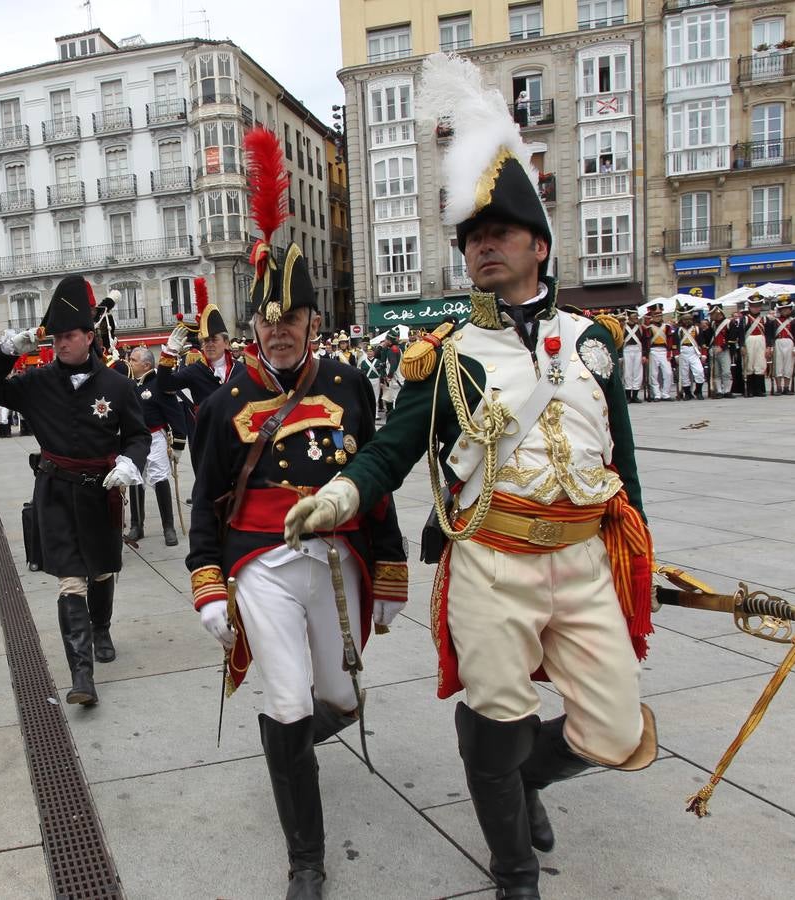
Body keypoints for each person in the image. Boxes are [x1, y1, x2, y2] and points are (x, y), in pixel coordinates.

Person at [285, 55, 656, 900]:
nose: (483, 247)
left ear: (538, 243)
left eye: (499, 234)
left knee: (615, 729)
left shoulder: (594, 343)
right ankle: (513, 869)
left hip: (584, 559)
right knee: (497, 717)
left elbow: (621, 469)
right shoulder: (446, 356)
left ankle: (529, 780)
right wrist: (341, 494)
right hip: (492, 557)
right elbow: (390, 448)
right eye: (472, 238)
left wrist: (644, 555)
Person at [187, 133, 409, 898]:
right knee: (286, 698)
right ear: (254, 326)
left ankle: (286, 749)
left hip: (338, 556)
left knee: (340, 699)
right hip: (261, 562)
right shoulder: (221, 407)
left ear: (314, 321)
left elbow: (375, 479)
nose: (280, 331)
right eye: (269, 321)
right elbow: (204, 506)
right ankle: (306, 859)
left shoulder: (350, 383)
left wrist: (390, 571)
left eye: (294, 319)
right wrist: (209, 584)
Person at [0, 275, 149, 703]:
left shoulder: (117, 385)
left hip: (101, 492)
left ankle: (102, 627)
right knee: (71, 580)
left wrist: (130, 462)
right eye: (55, 337)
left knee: (103, 568)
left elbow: (138, 436)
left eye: (69, 336)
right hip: (55, 493)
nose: (61, 344)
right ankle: (81, 675)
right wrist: (7, 351)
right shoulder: (38, 382)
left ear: (90, 336)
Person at [156, 276, 244, 471]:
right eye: (205, 340)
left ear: (227, 343)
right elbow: (165, 385)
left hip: (238, 437)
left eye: (214, 339)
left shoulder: (242, 370)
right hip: (205, 439)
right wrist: (168, 354)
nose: (209, 344)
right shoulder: (196, 370)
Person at [123, 345, 186, 546]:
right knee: (135, 479)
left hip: (156, 437)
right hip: (135, 440)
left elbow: (175, 414)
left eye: (133, 360)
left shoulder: (159, 384)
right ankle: (136, 525)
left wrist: (178, 444)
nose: (129, 362)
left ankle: (169, 527)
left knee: (159, 477)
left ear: (146, 364)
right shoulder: (129, 384)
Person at [739, 294, 774, 398]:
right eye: (753, 306)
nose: (756, 308)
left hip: (761, 342)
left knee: (760, 364)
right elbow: (741, 334)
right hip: (749, 341)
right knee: (749, 365)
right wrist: (742, 346)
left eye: (758, 306)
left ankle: (759, 390)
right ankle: (749, 390)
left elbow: (768, 334)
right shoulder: (745, 319)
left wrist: (768, 346)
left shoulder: (765, 319)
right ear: (749, 306)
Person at [703, 304, 738, 398]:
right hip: (714, 350)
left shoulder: (729, 323)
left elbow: (732, 338)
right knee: (716, 372)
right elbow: (709, 339)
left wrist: (722, 347)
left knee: (726, 372)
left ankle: (727, 391)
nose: (711, 316)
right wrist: (706, 331)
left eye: (712, 314)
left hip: (725, 350)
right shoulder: (713, 324)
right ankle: (719, 391)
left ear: (718, 313)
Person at [643, 302, 675, 401]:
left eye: (659, 315)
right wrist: (646, 355)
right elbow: (646, 342)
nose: (658, 317)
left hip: (664, 350)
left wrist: (669, 353)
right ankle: (656, 394)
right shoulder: (648, 328)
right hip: (653, 351)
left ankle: (666, 393)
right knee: (653, 374)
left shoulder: (667, 327)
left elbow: (670, 340)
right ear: (652, 316)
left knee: (668, 373)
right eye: (656, 315)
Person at [674, 307, 705, 400]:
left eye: (689, 319)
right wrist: (676, 355)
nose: (687, 321)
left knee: (699, 371)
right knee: (684, 374)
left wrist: (703, 354)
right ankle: (687, 393)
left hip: (694, 351)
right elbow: (675, 344)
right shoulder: (678, 330)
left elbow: (702, 343)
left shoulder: (697, 329)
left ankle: (698, 391)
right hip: (683, 352)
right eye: (685, 319)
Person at [620, 309, 644, 402]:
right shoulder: (623, 327)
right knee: (628, 372)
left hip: (638, 349)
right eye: (634, 317)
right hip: (627, 350)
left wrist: (644, 354)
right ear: (629, 317)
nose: (636, 318)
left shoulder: (640, 327)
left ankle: (635, 395)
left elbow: (644, 341)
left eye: (636, 317)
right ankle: (628, 396)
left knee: (637, 373)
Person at [771, 298, 793, 396]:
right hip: (778, 342)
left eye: (787, 309)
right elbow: (771, 335)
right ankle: (779, 388)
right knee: (778, 365)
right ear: (780, 310)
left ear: (790, 309)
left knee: (788, 366)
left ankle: (786, 388)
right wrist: (771, 347)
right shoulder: (774, 322)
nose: (785, 311)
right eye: (783, 309)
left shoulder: (794, 321)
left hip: (790, 343)